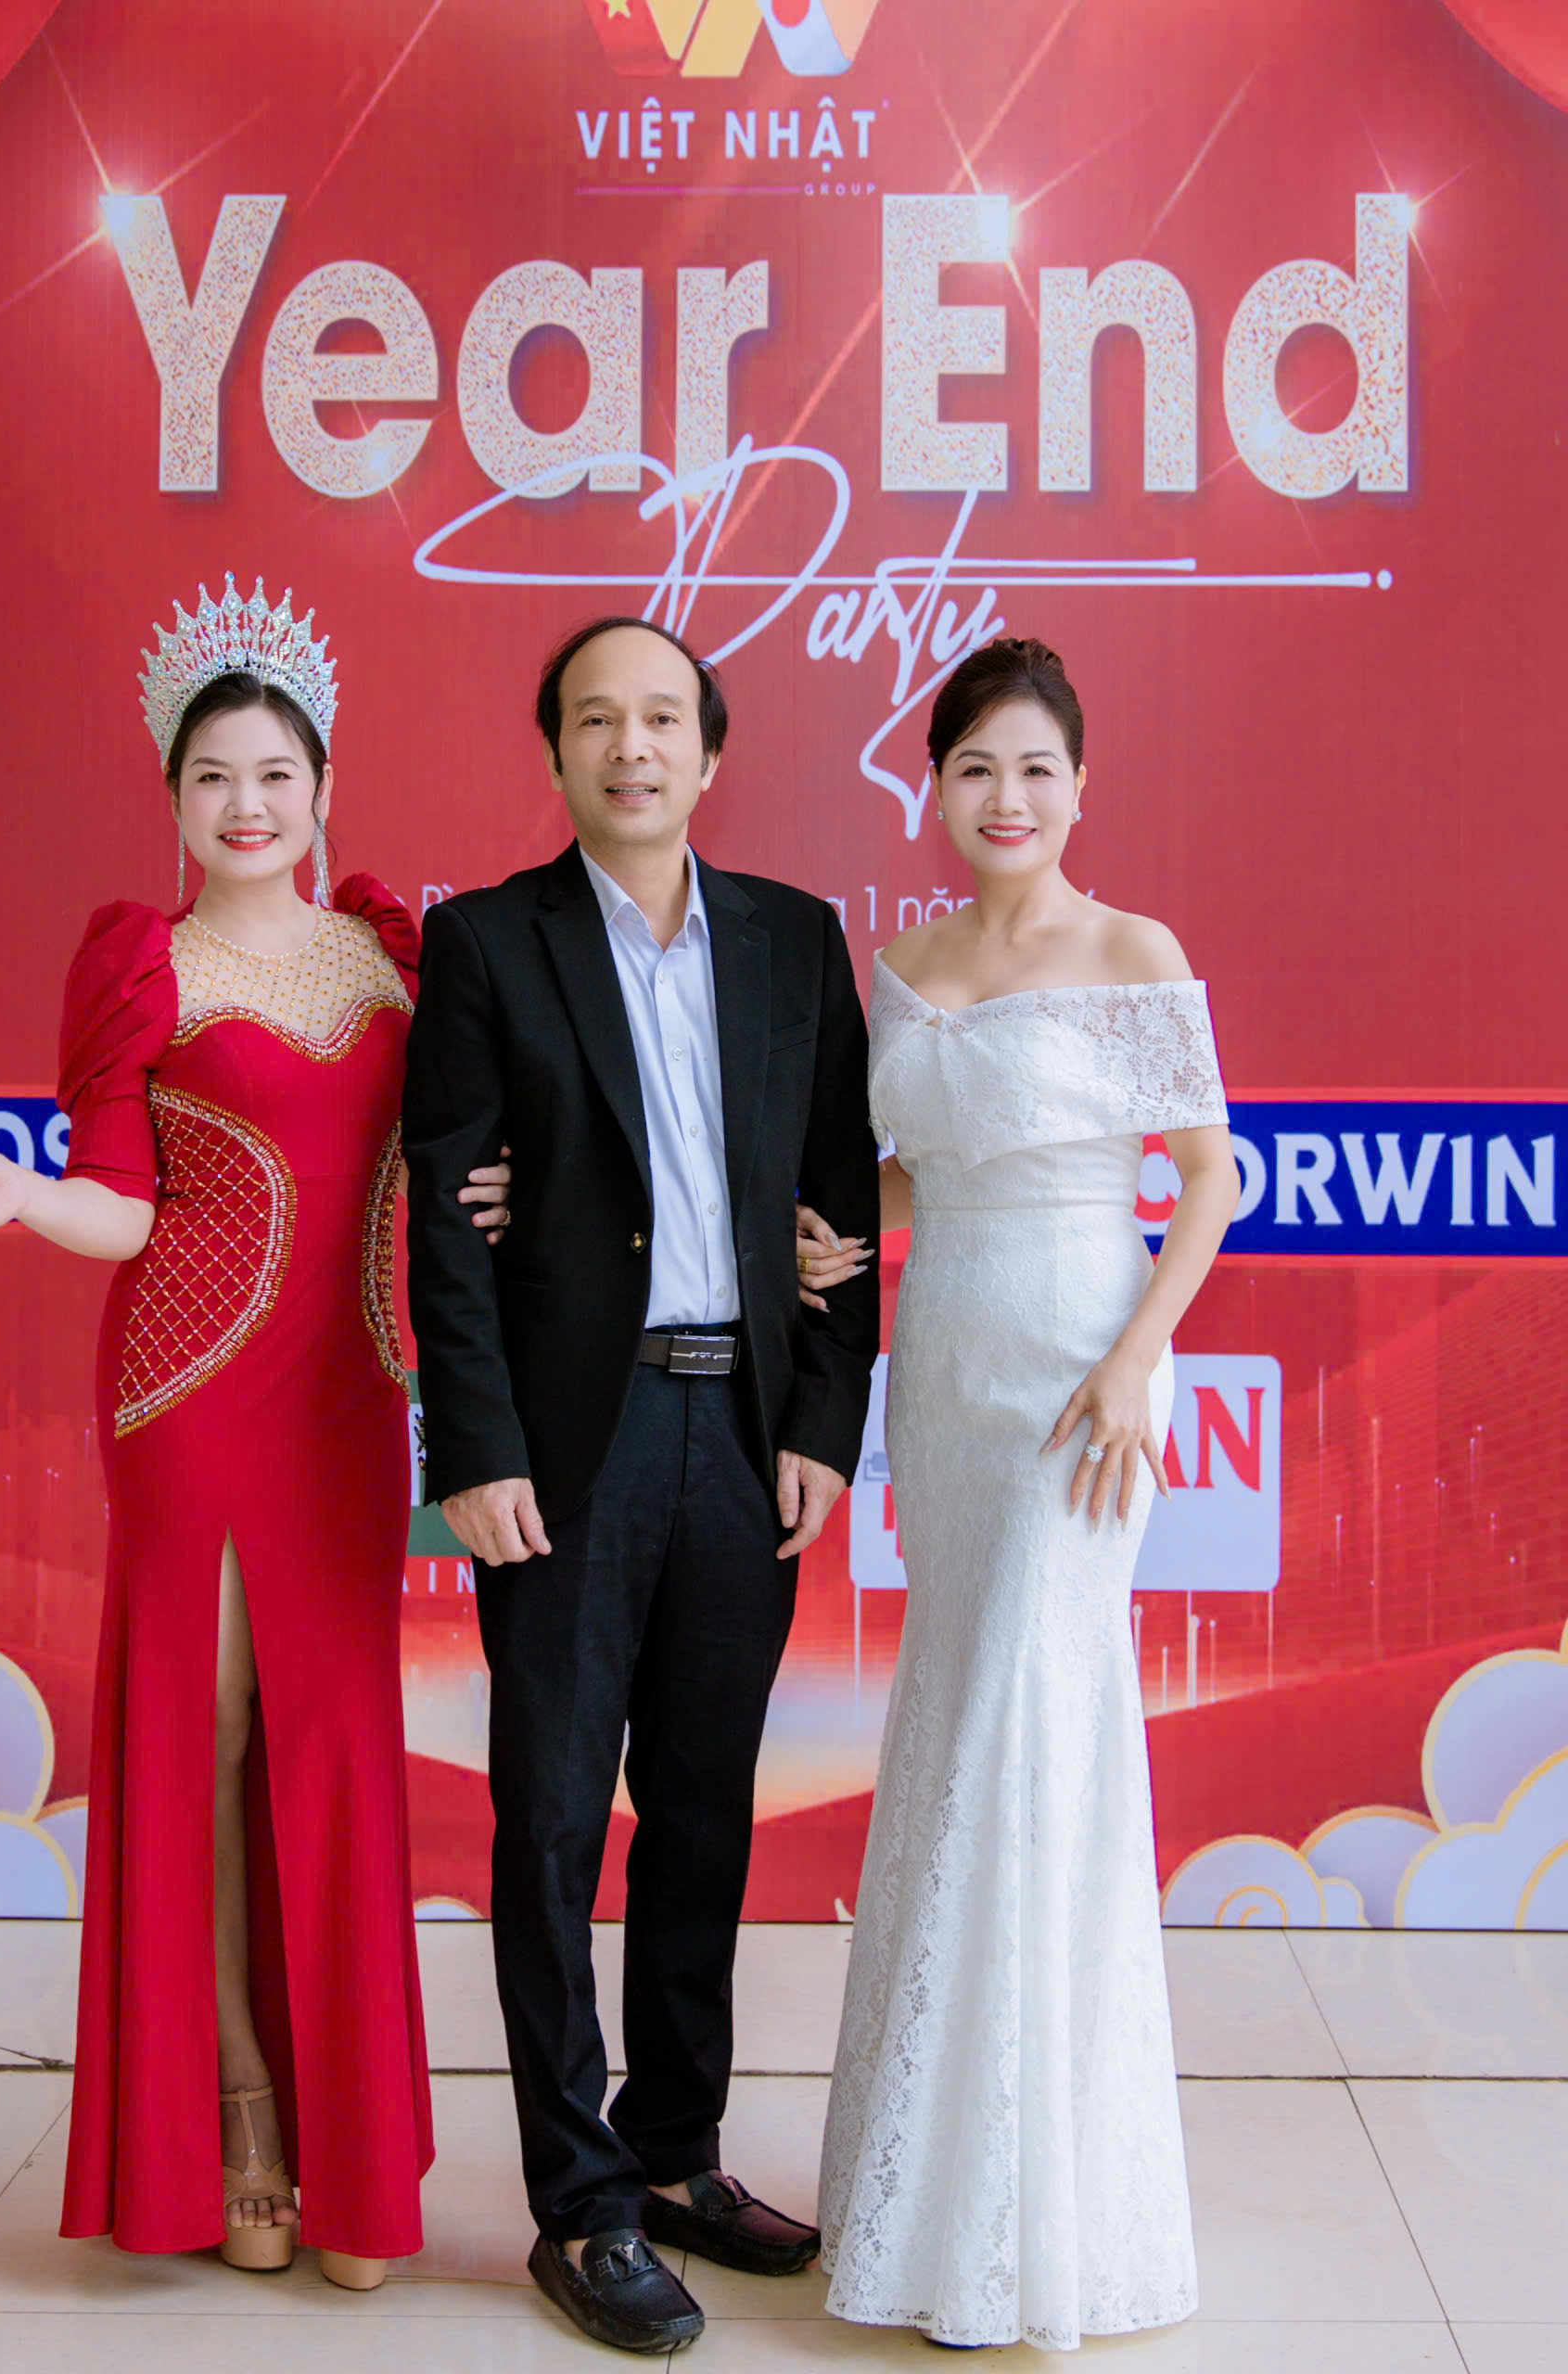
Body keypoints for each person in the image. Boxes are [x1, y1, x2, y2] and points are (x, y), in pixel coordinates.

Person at [0, 578, 508, 2286]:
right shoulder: (143, 967)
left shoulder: (395, 957)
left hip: (348, 1404)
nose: (247, 805)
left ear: (324, 786)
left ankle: (352, 2161)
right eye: (213, 778)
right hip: (185, 1398)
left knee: (334, 1743)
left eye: (274, 774)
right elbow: (120, 1204)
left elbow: (453, 1162)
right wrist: (19, 1192)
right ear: (172, 796)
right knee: (215, 1735)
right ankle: (242, 2114)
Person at [402, 616, 881, 2354]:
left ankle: (678, 2152)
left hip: (740, 1433)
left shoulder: (794, 941)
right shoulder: (486, 944)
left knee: (703, 1811)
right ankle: (582, 2203)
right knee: (548, 1823)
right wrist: (476, 1451)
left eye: (663, 718)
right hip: (568, 1448)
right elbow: (445, 1217)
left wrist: (822, 1425)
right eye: (596, 720)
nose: (632, 747)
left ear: (710, 750)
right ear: (556, 754)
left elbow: (840, 1209)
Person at [798, 637, 1240, 2350]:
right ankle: (931, 2190)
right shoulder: (903, 967)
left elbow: (1207, 1176)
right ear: (935, 786)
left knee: (1029, 1727)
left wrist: (1137, 1356)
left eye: (1036, 768)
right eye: (976, 766)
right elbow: (922, 1167)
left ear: (1081, 785)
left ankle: (1029, 2215)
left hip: (1082, 1372)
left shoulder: (1135, 952)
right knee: (956, 1717)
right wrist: (846, 1231)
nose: (1008, 797)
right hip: (951, 1372)